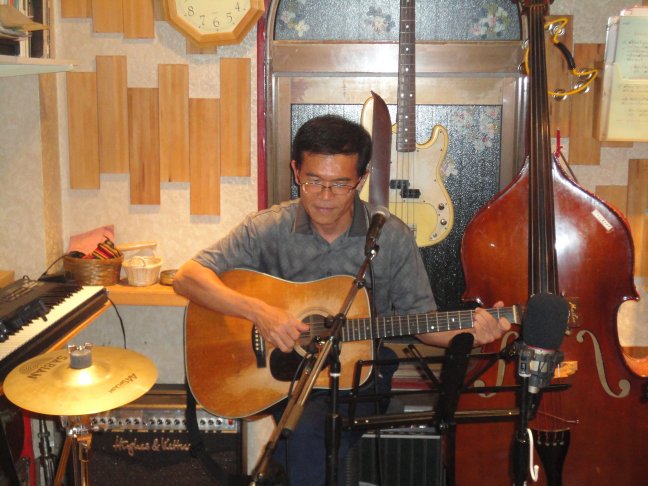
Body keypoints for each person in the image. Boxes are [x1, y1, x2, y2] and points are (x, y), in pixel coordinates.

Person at [173, 114, 510, 485]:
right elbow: (188, 277)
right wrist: (260, 312)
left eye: (340, 184)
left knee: (305, 439)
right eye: (313, 181)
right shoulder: (269, 228)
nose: (325, 196)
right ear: (295, 171)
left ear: (361, 180)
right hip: (287, 375)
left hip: (362, 373)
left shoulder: (391, 237)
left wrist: (471, 334)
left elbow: (424, 323)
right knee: (304, 437)